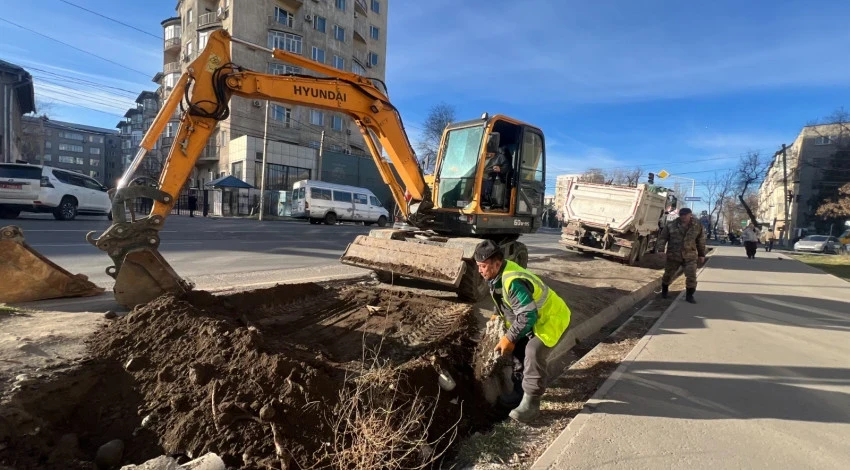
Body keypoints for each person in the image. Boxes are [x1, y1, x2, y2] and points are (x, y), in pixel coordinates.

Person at [474, 239, 572, 423]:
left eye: (483, 266)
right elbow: (503, 299)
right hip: (535, 318)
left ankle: (531, 403)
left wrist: (509, 338)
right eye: (478, 266)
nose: (480, 270)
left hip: (552, 319)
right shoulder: (496, 274)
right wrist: (497, 315)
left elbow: (528, 316)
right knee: (518, 347)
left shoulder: (513, 281)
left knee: (533, 351)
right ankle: (519, 391)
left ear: (497, 263)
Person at [656, 207, 706, 304]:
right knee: (668, 274)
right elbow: (663, 238)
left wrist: (701, 254)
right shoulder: (671, 225)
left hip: (690, 255)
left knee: (691, 276)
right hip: (674, 255)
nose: (683, 217)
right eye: (681, 215)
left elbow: (701, 241)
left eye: (685, 215)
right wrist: (661, 250)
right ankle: (664, 291)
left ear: (690, 215)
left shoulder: (697, 225)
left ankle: (689, 295)